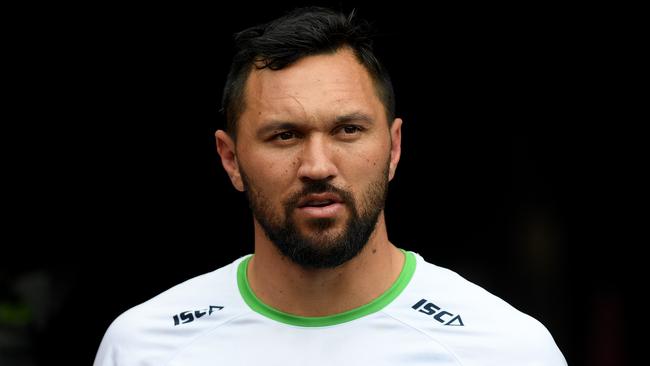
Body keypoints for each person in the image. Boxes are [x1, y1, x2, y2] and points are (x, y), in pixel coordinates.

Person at [94, 6, 567, 365]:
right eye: (284, 135)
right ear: (231, 159)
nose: (318, 166)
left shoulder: (503, 349)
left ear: (394, 148)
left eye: (348, 130)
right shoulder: (143, 347)